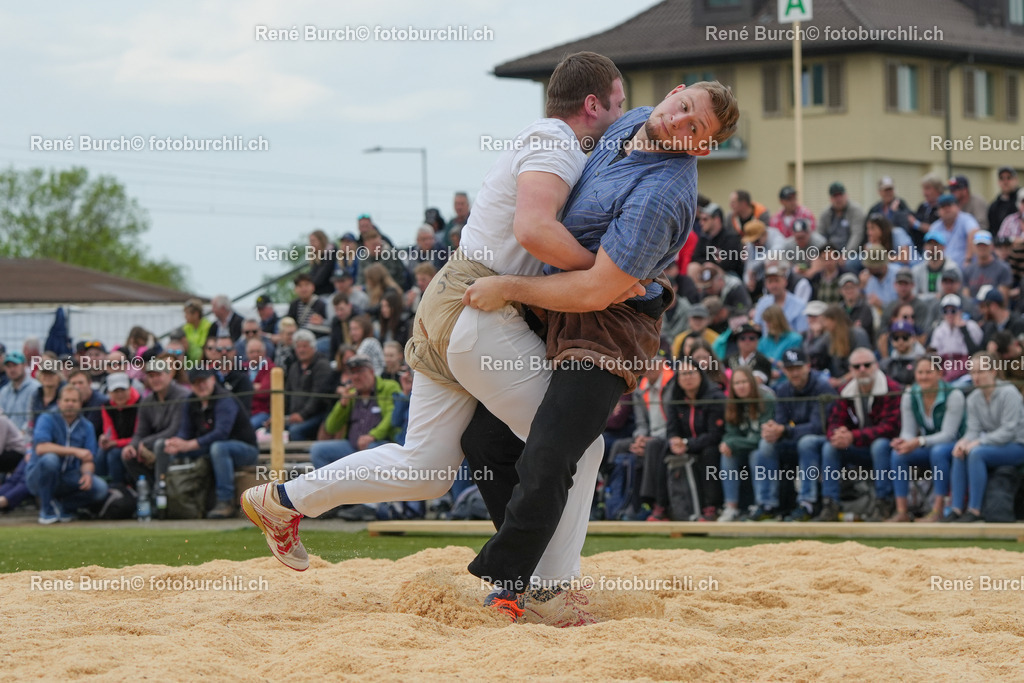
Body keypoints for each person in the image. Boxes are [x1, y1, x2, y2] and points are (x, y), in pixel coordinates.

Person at [241, 52, 632, 587]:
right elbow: (535, 231)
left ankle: (282, 499)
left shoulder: (545, 140)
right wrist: (608, 274)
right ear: (593, 104)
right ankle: (549, 588)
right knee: (577, 445)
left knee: (423, 468)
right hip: (478, 304)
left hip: (452, 302)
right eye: (619, 104)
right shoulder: (556, 142)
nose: (623, 116)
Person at [157, 369, 258, 519]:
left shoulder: (225, 399)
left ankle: (226, 501)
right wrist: (177, 443)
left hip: (245, 449)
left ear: (212, 380)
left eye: (203, 381)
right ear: (191, 385)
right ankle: (164, 497)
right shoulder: (191, 401)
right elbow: (185, 431)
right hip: (208, 447)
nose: (201, 386)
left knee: (218, 447)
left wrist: (189, 444)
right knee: (164, 446)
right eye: (196, 383)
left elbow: (221, 433)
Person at [817, 348, 902, 522]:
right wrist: (837, 433)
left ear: (876, 366)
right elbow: (833, 420)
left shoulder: (891, 388)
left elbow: (890, 428)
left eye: (867, 365)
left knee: (880, 445)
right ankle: (830, 504)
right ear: (851, 370)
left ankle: (884, 502)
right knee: (830, 447)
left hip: (886, 450)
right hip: (858, 448)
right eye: (857, 366)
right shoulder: (844, 390)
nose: (862, 369)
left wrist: (853, 436)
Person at [749, 348, 835, 521]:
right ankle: (767, 504)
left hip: (821, 440)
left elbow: (819, 426)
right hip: (794, 438)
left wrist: (785, 430)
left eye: (798, 367)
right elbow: (780, 420)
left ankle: (807, 503)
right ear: (784, 371)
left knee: (807, 442)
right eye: (790, 369)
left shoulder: (822, 387)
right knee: (765, 444)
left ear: (808, 367)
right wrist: (773, 429)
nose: (794, 373)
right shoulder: (783, 389)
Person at [642, 358, 725, 521]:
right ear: (677, 379)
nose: (687, 378)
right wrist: (674, 440)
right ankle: (660, 506)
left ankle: (710, 507)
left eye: (691, 373)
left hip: (707, 443)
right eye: (683, 374)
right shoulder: (676, 398)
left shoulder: (715, 397)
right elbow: (671, 428)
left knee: (709, 453)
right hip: (684, 444)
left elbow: (715, 434)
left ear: (700, 375)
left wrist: (687, 444)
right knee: (663, 447)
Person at [945, 352, 1024, 522]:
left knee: (976, 453)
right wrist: (964, 441)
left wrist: (979, 442)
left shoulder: (1009, 392)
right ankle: (956, 509)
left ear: (994, 371)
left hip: (1017, 445)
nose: (976, 377)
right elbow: (973, 429)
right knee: (959, 452)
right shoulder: (973, 398)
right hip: (994, 445)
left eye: (980, 371)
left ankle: (975, 510)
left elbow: (1009, 431)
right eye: (972, 372)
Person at [887, 356, 963, 523]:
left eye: (929, 372)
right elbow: (907, 431)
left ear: (939, 373)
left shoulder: (954, 395)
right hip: (927, 445)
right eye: (920, 372)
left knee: (938, 452)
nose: (923, 377)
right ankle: (902, 512)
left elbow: (948, 434)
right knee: (898, 454)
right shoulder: (910, 394)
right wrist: (903, 442)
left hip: (954, 446)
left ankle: (937, 511)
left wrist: (918, 441)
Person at [27, 385, 109, 524]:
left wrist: (87, 474)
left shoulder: (86, 426)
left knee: (100, 488)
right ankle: (46, 510)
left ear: (80, 403)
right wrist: (75, 451)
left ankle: (61, 507)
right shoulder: (47, 418)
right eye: (66, 400)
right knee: (50, 459)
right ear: (59, 402)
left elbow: (88, 458)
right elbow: (41, 448)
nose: (70, 404)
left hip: (68, 476)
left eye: (74, 401)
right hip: (39, 477)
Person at [308, 356, 402, 469]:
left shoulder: (389, 386)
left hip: (379, 444)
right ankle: (335, 486)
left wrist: (372, 436)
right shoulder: (351, 394)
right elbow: (331, 427)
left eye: (360, 371)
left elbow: (391, 416)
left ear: (371, 372)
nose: (356, 377)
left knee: (371, 451)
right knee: (318, 450)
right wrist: (342, 404)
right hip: (352, 446)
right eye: (352, 373)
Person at [122, 354, 190, 487]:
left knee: (160, 445)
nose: (155, 379)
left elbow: (174, 429)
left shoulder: (183, 396)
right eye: (151, 376)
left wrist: (144, 443)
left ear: (169, 375)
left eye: (158, 375)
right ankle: (149, 492)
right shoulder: (146, 401)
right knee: (127, 454)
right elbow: (140, 431)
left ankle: (161, 492)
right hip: (155, 443)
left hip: (179, 442)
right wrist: (133, 445)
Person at [717, 366, 774, 522]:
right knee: (727, 452)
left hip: (768, 447)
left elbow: (762, 437)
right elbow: (730, 433)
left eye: (744, 381)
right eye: (736, 383)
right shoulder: (732, 403)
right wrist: (727, 443)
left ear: (752, 382)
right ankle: (731, 507)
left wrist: (733, 442)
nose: (740, 386)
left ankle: (761, 505)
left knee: (758, 453)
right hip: (744, 446)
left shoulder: (766, 399)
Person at [283, 330, 334, 441]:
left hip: (317, 415)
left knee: (295, 431)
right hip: (294, 415)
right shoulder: (294, 367)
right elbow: (287, 394)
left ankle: (299, 457)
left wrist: (302, 415)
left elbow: (318, 396)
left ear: (313, 347)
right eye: (298, 347)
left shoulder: (322, 365)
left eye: (305, 346)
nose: (301, 350)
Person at [96, 372, 139, 487]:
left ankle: (118, 488)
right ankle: (102, 487)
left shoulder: (140, 404)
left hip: (134, 443)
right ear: (109, 392)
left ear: (129, 389)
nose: (119, 394)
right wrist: (106, 440)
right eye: (115, 391)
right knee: (101, 452)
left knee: (114, 454)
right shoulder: (107, 406)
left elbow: (139, 434)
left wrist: (116, 443)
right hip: (118, 442)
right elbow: (109, 431)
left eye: (122, 390)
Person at [817, 181, 865, 253]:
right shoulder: (825, 214)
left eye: (840, 195)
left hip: (853, 252)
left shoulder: (856, 211)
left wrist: (846, 254)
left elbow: (857, 235)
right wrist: (826, 254)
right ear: (830, 198)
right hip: (830, 252)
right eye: (835, 196)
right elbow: (820, 236)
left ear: (846, 195)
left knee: (851, 264)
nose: (838, 199)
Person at [0, 351, 40, 433]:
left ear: (24, 365)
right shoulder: (4, 391)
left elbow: (32, 419)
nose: (12, 369)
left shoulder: (35, 388)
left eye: (15, 365)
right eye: (8, 366)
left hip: (27, 438)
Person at [181, 298, 211, 363]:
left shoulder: (208, 326)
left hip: (204, 362)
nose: (185, 316)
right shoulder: (185, 328)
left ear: (196, 314)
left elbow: (205, 347)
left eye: (187, 313)